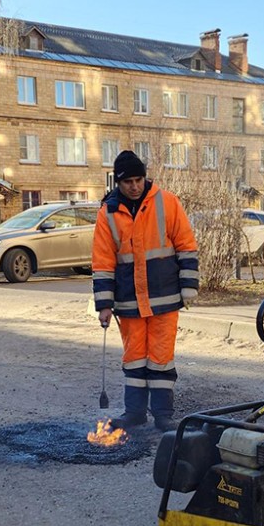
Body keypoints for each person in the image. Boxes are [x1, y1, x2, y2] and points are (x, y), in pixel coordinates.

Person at [93, 150, 199, 431]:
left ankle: (163, 415)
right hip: (129, 302)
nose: (135, 186)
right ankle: (135, 413)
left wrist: (189, 286)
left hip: (164, 298)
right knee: (135, 358)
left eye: (139, 179)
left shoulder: (167, 203)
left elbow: (186, 245)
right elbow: (103, 261)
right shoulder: (109, 213)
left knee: (161, 359)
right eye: (128, 181)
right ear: (118, 182)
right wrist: (104, 304)